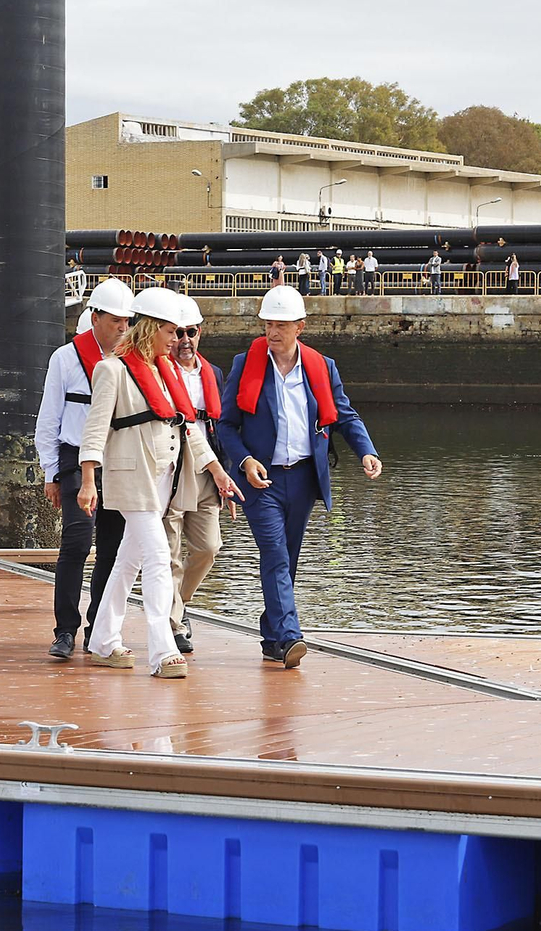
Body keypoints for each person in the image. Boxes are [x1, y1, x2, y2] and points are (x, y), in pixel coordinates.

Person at [77, 287, 240, 678]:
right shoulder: (112, 370)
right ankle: (163, 650)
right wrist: (87, 480)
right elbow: (95, 430)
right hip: (132, 480)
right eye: (170, 331)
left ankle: (103, 640)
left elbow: (188, 428)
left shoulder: (167, 372)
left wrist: (217, 471)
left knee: (127, 562)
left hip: (166, 480)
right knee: (156, 558)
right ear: (150, 328)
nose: (176, 339)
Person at [216, 284, 381, 670]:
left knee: (287, 559)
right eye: (268, 324)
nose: (273, 332)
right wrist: (244, 462)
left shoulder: (322, 367)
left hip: (304, 478)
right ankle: (290, 636)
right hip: (260, 480)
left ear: (299, 327)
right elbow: (225, 425)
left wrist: (367, 451)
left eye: (281, 325)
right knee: (274, 555)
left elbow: (344, 414)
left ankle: (272, 636)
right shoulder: (245, 364)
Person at [35, 277, 134, 660]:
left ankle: (99, 628)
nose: (122, 328)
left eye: (127, 321)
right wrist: (51, 473)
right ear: (95, 318)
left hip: (119, 461)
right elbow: (49, 419)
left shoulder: (131, 361)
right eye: (115, 321)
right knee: (76, 543)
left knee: (112, 548)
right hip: (76, 459)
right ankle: (65, 630)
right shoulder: (65, 358)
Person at [164, 294, 233, 657]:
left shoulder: (213, 373)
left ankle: (181, 601)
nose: (184, 340)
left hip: (208, 470)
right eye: (177, 333)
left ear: (200, 333)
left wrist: (226, 475)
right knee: (171, 552)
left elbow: (222, 427)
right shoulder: (159, 372)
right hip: (172, 468)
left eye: (190, 332)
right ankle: (174, 623)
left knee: (209, 547)